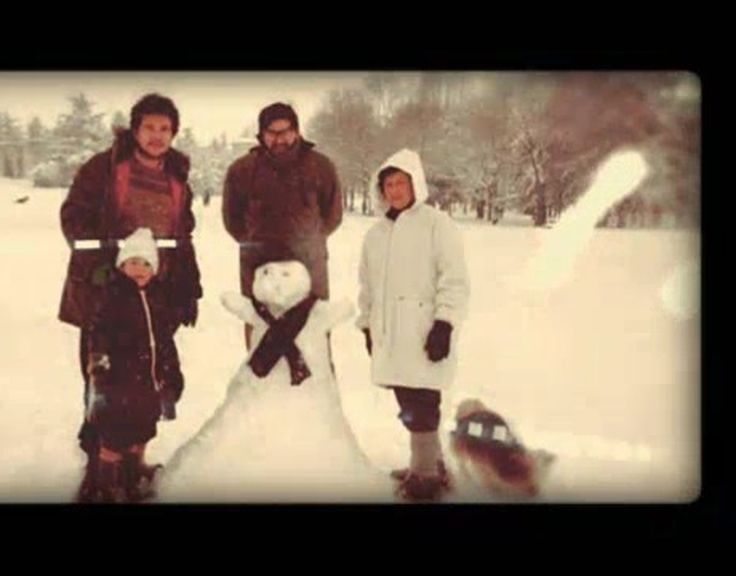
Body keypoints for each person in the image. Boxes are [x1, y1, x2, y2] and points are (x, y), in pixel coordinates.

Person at [57, 93, 202, 501]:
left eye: (165, 129)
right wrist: (106, 263)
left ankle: (134, 466)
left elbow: (183, 234)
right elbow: (73, 216)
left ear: (174, 133)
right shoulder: (103, 168)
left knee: (145, 381)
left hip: (155, 298)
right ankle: (97, 469)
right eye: (150, 127)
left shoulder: (177, 176)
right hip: (105, 293)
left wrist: (189, 284)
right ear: (135, 128)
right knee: (103, 381)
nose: (157, 136)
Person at [355, 148, 470, 502]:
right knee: (406, 399)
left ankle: (424, 477)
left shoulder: (438, 224)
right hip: (389, 332)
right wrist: (367, 326)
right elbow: (367, 285)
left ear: (415, 183)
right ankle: (431, 463)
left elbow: (453, 279)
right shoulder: (375, 234)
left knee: (422, 401)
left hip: (423, 331)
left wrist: (444, 324)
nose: (394, 190)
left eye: (401, 182)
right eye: (388, 184)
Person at [222, 102, 343, 350]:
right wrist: (258, 244)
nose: (280, 139)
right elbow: (232, 220)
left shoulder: (321, 167)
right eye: (272, 133)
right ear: (261, 135)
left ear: (297, 131)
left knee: (312, 338)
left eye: (286, 131)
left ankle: (316, 386)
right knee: (262, 339)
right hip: (259, 267)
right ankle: (261, 386)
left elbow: (332, 215)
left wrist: (306, 242)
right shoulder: (242, 170)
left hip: (310, 265)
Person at [84, 228, 184, 503]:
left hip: (147, 384)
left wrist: (172, 373)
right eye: (132, 262)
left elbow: (164, 341)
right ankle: (106, 481)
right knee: (115, 437)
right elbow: (99, 334)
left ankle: (133, 471)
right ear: (121, 266)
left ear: (154, 269)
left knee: (142, 429)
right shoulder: (113, 298)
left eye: (145, 263)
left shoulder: (157, 298)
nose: (139, 268)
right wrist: (100, 365)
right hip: (119, 383)